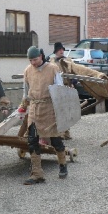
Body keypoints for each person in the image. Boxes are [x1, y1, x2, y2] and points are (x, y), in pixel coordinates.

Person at [18, 46, 69, 185]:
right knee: (32, 140)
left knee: (55, 140)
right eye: (30, 60)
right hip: (35, 108)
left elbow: (59, 89)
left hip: (50, 108)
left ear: (41, 56)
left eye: (35, 59)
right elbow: (26, 91)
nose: (33, 62)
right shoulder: (28, 70)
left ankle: (63, 165)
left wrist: (61, 109)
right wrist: (23, 106)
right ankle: (37, 174)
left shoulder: (53, 69)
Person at [49, 42, 107, 140]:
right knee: (57, 112)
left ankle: (65, 132)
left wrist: (96, 75)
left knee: (66, 111)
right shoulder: (51, 63)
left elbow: (80, 69)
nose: (61, 51)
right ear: (55, 51)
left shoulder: (68, 61)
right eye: (59, 50)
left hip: (67, 88)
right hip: (56, 89)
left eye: (62, 49)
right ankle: (58, 132)